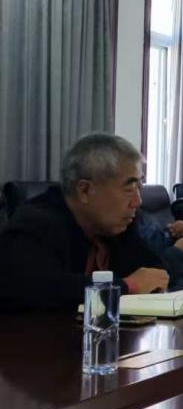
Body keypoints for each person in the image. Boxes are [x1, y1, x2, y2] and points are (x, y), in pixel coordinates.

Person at [0, 133, 168, 312]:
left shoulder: (117, 226)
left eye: (139, 187)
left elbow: (153, 272)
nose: (137, 201)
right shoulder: (36, 224)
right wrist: (128, 286)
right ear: (85, 191)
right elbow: (43, 288)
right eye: (129, 188)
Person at [135, 211, 183, 289]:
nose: (136, 204)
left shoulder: (142, 218)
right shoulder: (132, 227)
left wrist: (176, 237)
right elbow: (147, 279)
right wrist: (180, 252)